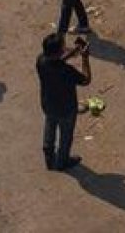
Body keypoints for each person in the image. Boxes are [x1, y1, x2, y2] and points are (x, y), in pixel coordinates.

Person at [36, 33, 91, 171]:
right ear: (58, 52)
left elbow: (56, 61)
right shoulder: (67, 71)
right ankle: (62, 161)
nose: (65, 49)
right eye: (63, 48)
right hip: (66, 109)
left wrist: (72, 53)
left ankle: (48, 154)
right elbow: (86, 79)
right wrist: (85, 58)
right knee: (66, 137)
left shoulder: (41, 61)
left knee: (50, 126)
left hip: (48, 104)